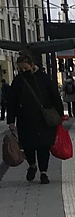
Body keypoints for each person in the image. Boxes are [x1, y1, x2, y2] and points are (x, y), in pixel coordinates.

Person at [6, 52, 63, 185]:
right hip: (25, 119)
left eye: (26, 68)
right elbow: (12, 101)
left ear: (32, 65)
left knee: (44, 146)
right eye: (21, 69)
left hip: (43, 119)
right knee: (28, 145)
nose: (24, 71)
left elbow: (54, 96)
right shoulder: (18, 81)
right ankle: (32, 165)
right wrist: (11, 120)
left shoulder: (44, 78)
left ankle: (43, 172)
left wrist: (59, 114)